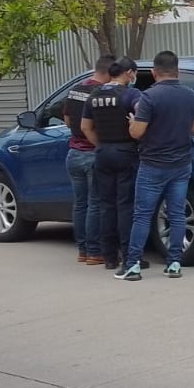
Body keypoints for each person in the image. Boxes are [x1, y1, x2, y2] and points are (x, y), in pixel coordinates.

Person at [116, 50, 194, 282]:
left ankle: (132, 265)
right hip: (181, 164)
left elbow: (137, 132)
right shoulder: (190, 96)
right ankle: (174, 263)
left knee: (142, 215)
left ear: (154, 72)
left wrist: (133, 123)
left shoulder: (149, 97)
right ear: (177, 71)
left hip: (152, 164)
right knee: (176, 214)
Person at [82, 59, 145, 271]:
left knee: (106, 206)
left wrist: (101, 145)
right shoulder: (131, 95)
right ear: (128, 73)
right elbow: (142, 115)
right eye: (134, 73)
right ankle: (129, 256)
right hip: (126, 152)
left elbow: (85, 127)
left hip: (102, 153)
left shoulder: (95, 94)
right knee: (125, 205)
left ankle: (109, 257)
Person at [64, 54, 113, 264]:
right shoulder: (100, 93)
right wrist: (99, 144)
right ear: (109, 73)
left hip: (73, 153)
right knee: (95, 204)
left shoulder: (75, 89)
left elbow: (67, 119)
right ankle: (95, 251)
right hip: (93, 154)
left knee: (80, 204)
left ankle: (83, 250)